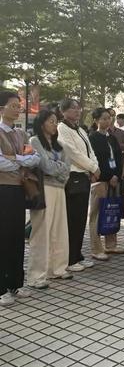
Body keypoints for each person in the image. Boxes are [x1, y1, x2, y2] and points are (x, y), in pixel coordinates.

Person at [0, 91, 40, 307]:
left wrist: (14, 159)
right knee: (3, 237)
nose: (18, 109)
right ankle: (1, 287)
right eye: (13, 105)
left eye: (19, 105)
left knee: (16, 236)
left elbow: (35, 158)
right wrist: (21, 161)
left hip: (18, 190)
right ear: (1, 108)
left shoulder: (21, 134)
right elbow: (0, 164)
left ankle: (16, 282)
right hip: (3, 190)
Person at [27, 110, 72, 289]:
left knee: (59, 229)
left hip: (59, 188)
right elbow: (44, 165)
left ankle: (58, 268)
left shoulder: (60, 145)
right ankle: (36, 275)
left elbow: (67, 169)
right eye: (51, 121)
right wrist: (58, 169)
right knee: (41, 231)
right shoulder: (34, 141)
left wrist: (57, 170)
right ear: (42, 123)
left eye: (55, 121)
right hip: (43, 189)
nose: (55, 124)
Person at [58, 99, 100, 272]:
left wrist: (95, 167)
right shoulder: (62, 128)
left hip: (85, 175)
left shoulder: (80, 129)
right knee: (72, 218)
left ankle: (77, 254)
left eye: (78, 108)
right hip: (73, 175)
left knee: (80, 218)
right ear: (63, 111)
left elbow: (90, 151)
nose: (77, 111)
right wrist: (92, 167)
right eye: (73, 108)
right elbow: (72, 153)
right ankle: (69, 258)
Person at [88, 108, 124, 260]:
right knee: (96, 213)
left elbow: (118, 157)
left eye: (109, 118)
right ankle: (96, 248)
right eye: (103, 118)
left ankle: (111, 245)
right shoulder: (93, 138)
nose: (107, 121)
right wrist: (108, 176)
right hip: (100, 179)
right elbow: (94, 160)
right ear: (96, 120)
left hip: (114, 180)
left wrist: (116, 175)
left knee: (112, 210)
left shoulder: (112, 138)